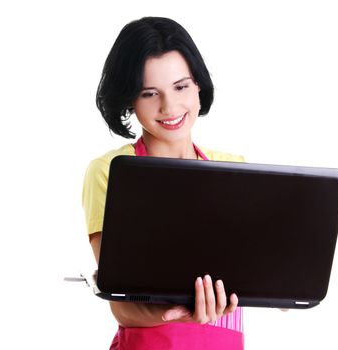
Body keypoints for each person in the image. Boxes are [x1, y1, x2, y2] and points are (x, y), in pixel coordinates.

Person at [82, 17, 245, 349]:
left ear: (199, 84)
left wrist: (289, 290)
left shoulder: (235, 170)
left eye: (181, 86)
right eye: (149, 93)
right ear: (129, 99)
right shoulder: (111, 171)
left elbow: (260, 275)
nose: (169, 107)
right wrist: (173, 311)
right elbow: (122, 304)